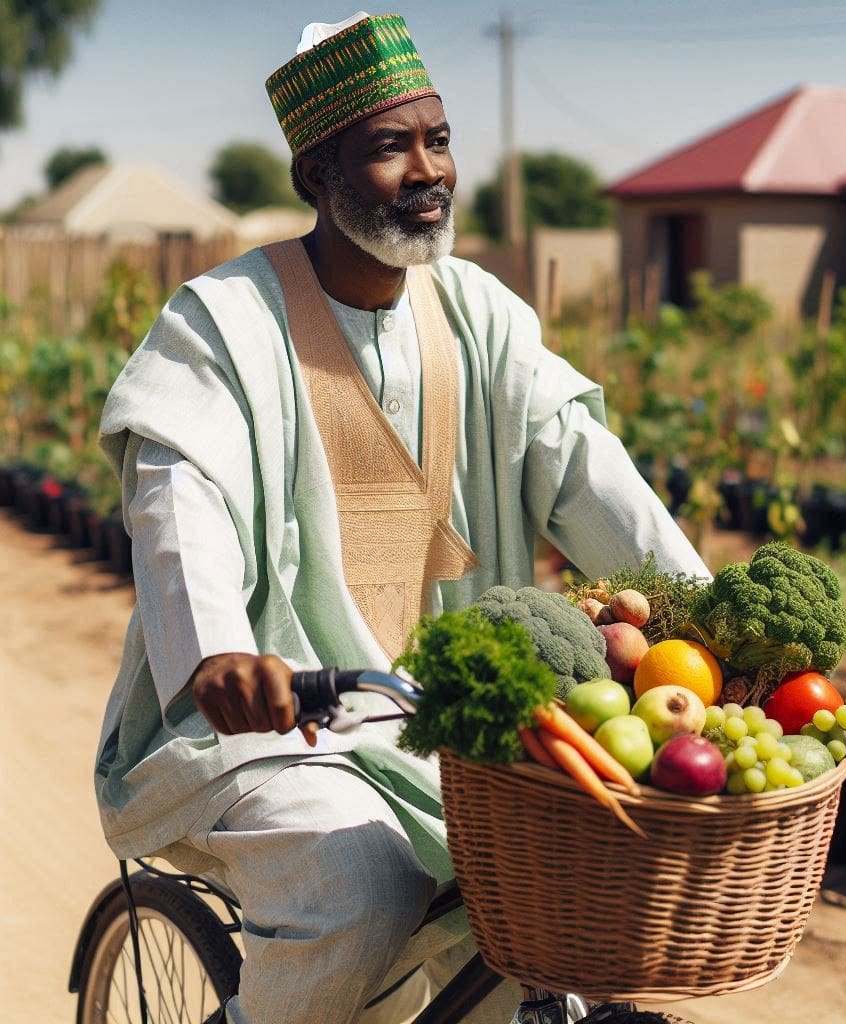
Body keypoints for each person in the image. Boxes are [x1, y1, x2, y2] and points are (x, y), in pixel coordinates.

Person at [95, 11, 710, 1024]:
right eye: (389, 147)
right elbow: (178, 494)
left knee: (553, 900)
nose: (427, 169)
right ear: (315, 176)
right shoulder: (222, 323)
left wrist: (717, 628)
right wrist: (216, 656)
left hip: (452, 722)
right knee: (362, 891)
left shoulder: (482, 318)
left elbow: (587, 473)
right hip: (266, 734)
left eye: (439, 139)